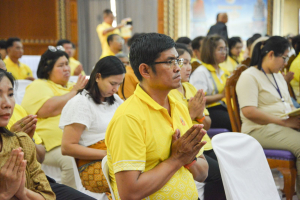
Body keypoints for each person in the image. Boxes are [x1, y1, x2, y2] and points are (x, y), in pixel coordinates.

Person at [105, 33, 208, 200]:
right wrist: (176, 159)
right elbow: (130, 193)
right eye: (169, 62)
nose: (177, 68)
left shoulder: (179, 107)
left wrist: (189, 159)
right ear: (145, 70)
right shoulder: (129, 117)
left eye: (177, 61)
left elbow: (203, 173)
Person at [236, 36, 300, 199]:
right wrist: (284, 122)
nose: (285, 63)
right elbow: (249, 111)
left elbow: (287, 104)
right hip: (258, 129)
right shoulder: (249, 76)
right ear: (271, 54)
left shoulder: (278, 75)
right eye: (284, 58)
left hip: (281, 125)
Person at [21, 47, 88, 189]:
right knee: (70, 161)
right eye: (60, 65)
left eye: (67, 64)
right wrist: (75, 91)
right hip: (51, 145)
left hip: (80, 139)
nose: (66, 69)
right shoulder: (39, 85)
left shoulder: (72, 86)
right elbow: (48, 109)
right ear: (48, 69)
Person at [59, 56, 125, 198]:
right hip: (93, 165)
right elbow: (67, 147)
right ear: (98, 77)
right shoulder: (81, 103)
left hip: (116, 157)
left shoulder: (115, 101)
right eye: (113, 83)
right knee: (133, 178)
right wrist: (107, 155)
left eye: (119, 84)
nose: (116, 89)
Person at [168, 43, 226, 200]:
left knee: (232, 165)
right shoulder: (168, 92)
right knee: (221, 174)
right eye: (184, 63)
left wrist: (198, 116)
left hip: (205, 142)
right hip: (189, 146)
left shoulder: (191, 88)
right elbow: (174, 127)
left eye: (189, 63)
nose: (188, 68)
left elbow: (207, 123)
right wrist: (191, 113)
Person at [0, 69, 55, 200]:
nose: (7, 103)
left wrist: (22, 193)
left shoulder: (21, 141)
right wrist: (5, 194)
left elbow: (48, 196)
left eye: (11, 94)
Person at [190, 35, 232, 131]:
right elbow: (199, 99)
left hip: (224, 106)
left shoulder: (223, 71)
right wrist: (221, 95)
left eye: (225, 49)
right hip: (209, 109)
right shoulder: (201, 72)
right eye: (220, 49)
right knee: (231, 121)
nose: (224, 53)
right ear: (210, 51)